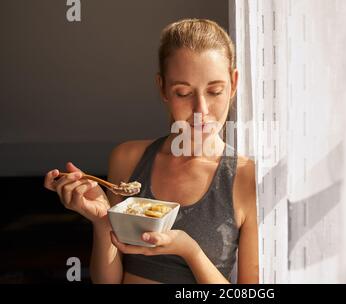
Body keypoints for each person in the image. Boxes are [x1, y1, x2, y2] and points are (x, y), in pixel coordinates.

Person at [43, 18, 259, 284]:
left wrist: (189, 251)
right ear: (163, 89)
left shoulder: (246, 177)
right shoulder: (128, 159)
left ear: (234, 84)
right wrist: (102, 222)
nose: (201, 110)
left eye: (215, 91)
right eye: (183, 93)